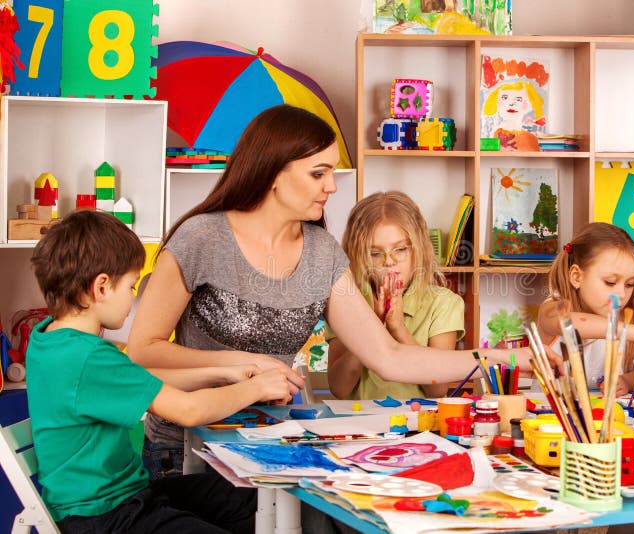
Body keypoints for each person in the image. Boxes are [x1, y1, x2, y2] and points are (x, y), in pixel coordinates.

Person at [126, 104, 530, 478]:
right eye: (319, 173)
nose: (332, 187)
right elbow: (143, 349)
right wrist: (248, 364)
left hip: (267, 441)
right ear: (274, 174)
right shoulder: (202, 239)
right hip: (185, 448)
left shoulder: (322, 253)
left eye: (332, 173)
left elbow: (390, 358)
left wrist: (504, 358)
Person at [26, 210, 299, 533]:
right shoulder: (87, 357)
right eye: (130, 287)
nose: (132, 299)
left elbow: (142, 382)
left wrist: (224, 373)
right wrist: (257, 388)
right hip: (102, 516)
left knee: (246, 500)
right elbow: (189, 410)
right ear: (101, 287)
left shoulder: (51, 341)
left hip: (120, 499)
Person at [327, 191, 464, 400]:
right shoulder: (345, 300)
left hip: (419, 426)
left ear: (418, 248)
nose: (389, 262)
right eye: (375, 253)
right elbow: (339, 388)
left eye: (399, 250)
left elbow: (438, 389)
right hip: (359, 426)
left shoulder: (444, 303)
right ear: (357, 254)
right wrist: (372, 325)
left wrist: (398, 328)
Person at [537, 222, 634, 396]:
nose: (621, 294)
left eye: (630, 284)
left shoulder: (628, 318)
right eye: (610, 282)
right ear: (576, 276)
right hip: (548, 418)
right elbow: (568, 323)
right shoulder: (551, 310)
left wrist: (627, 381)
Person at [481, 80, 545, 151]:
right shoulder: (494, 136)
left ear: (527, 105)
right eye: (505, 98)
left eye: (518, 99)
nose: (511, 104)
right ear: (497, 102)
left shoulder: (530, 139)